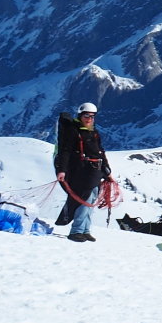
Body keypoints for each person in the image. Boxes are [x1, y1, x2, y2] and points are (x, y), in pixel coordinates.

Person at [53, 102, 110, 242]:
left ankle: (85, 230)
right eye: (86, 116)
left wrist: (107, 170)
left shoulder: (94, 132)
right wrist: (62, 171)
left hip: (95, 171)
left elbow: (100, 151)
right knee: (84, 199)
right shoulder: (74, 131)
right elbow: (65, 152)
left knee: (92, 199)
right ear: (80, 115)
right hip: (81, 171)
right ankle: (76, 231)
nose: (89, 119)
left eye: (92, 116)